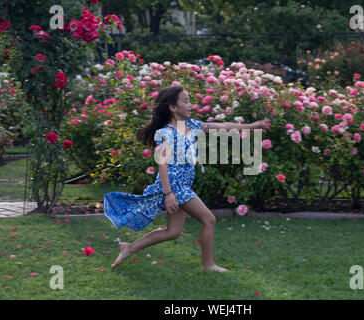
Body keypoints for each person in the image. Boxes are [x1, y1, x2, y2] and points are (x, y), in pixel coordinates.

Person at [104, 85, 271, 272]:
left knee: (173, 232)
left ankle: (130, 247)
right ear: (173, 108)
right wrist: (168, 194)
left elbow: (220, 126)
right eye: (185, 101)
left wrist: (251, 126)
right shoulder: (167, 132)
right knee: (209, 220)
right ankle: (208, 265)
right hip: (175, 188)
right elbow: (162, 163)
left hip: (180, 187)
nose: (190, 105)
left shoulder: (190, 126)